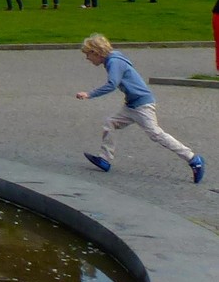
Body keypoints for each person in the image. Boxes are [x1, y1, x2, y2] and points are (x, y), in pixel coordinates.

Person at [75, 33, 203, 182]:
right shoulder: (113, 59)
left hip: (142, 105)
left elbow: (112, 84)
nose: (87, 59)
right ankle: (105, 160)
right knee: (110, 122)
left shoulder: (114, 62)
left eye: (87, 55)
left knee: (156, 134)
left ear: (95, 52)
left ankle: (193, 159)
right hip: (131, 105)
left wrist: (89, 94)